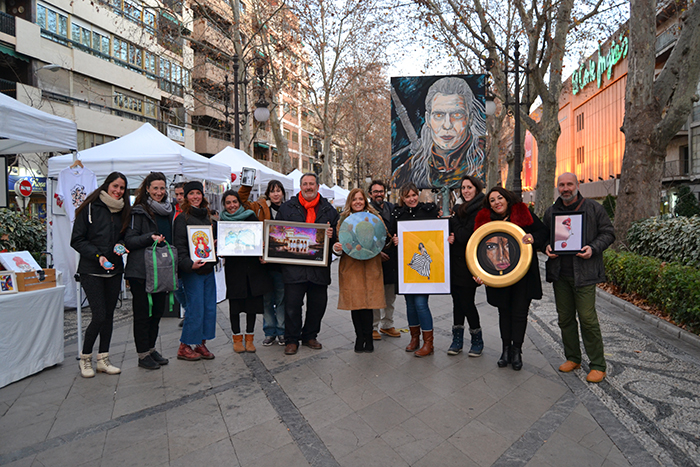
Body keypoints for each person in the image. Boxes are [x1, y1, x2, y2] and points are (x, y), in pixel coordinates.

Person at [544, 173, 615, 383]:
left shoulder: (593, 208)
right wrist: (545, 246)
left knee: (587, 319)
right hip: (560, 275)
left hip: (584, 274)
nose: (565, 188)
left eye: (569, 184)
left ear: (577, 185)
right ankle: (573, 357)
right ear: (557, 187)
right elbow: (543, 236)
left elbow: (609, 233)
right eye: (562, 185)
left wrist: (593, 248)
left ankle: (598, 365)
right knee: (565, 319)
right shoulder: (551, 212)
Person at [474, 187, 548, 371]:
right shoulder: (484, 220)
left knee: (520, 313)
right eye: (492, 200)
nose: (497, 202)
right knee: (504, 312)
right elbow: (476, 248)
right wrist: (478, 273)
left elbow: (543, 233)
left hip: (523, 274)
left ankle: (517, 351)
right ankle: (505, 350)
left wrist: (533, 237)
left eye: (500, 198)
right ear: (488, 204)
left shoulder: (523, 213)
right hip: (498, 275)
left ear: (507, 199)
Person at [71, 171, 130, 378]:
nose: (118, 191)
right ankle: (85, 357)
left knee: (109, 316)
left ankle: (103, 359)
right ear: (107, 186)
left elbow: (124, 237)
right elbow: (76, 240)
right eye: (115, 186)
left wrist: (121, 246)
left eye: (122, 188)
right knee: (99, 314)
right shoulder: (90, 208)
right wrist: (98, 256)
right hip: (91, 270)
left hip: (114, 270)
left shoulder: (123, 210)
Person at [276, 173, 339, 355]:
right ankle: (292, 339)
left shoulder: (329, 210)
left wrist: (332, 236)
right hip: (294, 269)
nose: (308, 187)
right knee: (292, 306)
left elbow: (337, 238)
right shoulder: (287, 208)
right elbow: (277, 233)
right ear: (300, 186)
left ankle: (310, 335)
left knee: (318, 305)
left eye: (312, 184)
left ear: (318, 187)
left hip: (319, 268)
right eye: (305, 184)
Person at [392, 77, 486, 189]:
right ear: (428, 120)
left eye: (457, 115)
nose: (447, 125)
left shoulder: (485, 157)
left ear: (470, 119)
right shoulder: (409, 171)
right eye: (439, 115)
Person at [124, 172, 173, 370]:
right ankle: (142, 354)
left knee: (157, 312)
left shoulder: (168, 211)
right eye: (155, 188)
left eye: (162, 188)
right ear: (147, 189)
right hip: (141, 271)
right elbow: (130, 240)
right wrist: (149, 238)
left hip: (160, 269)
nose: (159, 192)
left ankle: (151, 349)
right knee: (143, 313)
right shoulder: (138, 211)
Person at [332, 189, 387, 352]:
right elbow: (339, 243)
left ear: (365, 201)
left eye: (360, 199)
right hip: (351, 267)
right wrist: (337, 248)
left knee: (368, 304)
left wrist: (381, 247)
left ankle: (368, 338)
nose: (357, 202)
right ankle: (359, 337)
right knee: (355, 304)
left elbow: (383, 238)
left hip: (370, 266)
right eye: (354, 199)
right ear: (350, 201)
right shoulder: (343, 219)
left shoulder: (375, 217)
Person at [392, 183, 441, 357]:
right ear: (402, 198)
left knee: (421, 303)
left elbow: (438, 236)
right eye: (407, 196)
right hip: (406, 266)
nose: (411, 199)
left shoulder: (429, 210)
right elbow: (392, 237)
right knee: (410, 305)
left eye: (414, 195)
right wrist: (395, 241)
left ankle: (429, 342)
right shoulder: (398, 214)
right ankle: (415, 338)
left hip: (424, 265)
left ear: (418, 195)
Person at [220, 189, 271, 353]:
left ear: (239, 203)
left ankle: (249, 338)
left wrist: (262, 249)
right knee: (234, 305)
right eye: (228, 203)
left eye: (234, 202)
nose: (232, 206)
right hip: (234, 268)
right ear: (224, 205)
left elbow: (259, 237)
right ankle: (236, 338)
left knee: (251, 305)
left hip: (252, 268)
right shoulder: (222, 221)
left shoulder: (250, 216)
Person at [239, 179, 287, 346]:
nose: (275, 194)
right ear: (268, 193)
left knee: (281, 299)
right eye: (272, 191)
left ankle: (282, 331)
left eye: (278, 190)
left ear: (282, 193)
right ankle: (270, 331)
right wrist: (246, 184)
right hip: (263, 262)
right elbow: (241, 202)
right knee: (267, 300)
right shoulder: (258, 207)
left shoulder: (288, 209)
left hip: (281, 264)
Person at [173, 181, 217, 361]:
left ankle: (200, 343)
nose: (195, 197)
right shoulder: (181, 218)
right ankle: (184, 346)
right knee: (195, 308)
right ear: (185, 196)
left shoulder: (207, 217)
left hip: (207, 268)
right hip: (192, 271)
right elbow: (180, 246)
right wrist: (188, 264)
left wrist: (213, 246)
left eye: (198, 193)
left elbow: (208, 242)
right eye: (191, 194)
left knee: (208, 308)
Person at [447, 175, 486, 356]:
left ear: (476, 189)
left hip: (470, 264)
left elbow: (463, 235)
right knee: (457, 302)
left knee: (467, 302)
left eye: (469, 187)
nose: (466, 191)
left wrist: (453, 219)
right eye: (463, 188)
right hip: (455, 262)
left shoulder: (480, 210)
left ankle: (477, 338)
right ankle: (457, 339)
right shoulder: (461, 209)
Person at [368, 180, 400, 341]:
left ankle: (387, 325)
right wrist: (376, 253)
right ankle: (373, 326)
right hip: (373, 260)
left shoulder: (393, 209)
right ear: (370, 194)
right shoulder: (365, 213)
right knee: (375, 295)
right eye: (375, 191)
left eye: (381, 191)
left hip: (392, 259)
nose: (378, 194)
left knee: (390, 296)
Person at [172, 182, 187, 328]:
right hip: (174, 254)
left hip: (188, 255)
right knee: (177, 287)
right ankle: (188, 310)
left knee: (184, 286)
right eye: (176, 194)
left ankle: (189, 312)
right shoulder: (172, 211)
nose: (179, 197)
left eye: (181, 194)